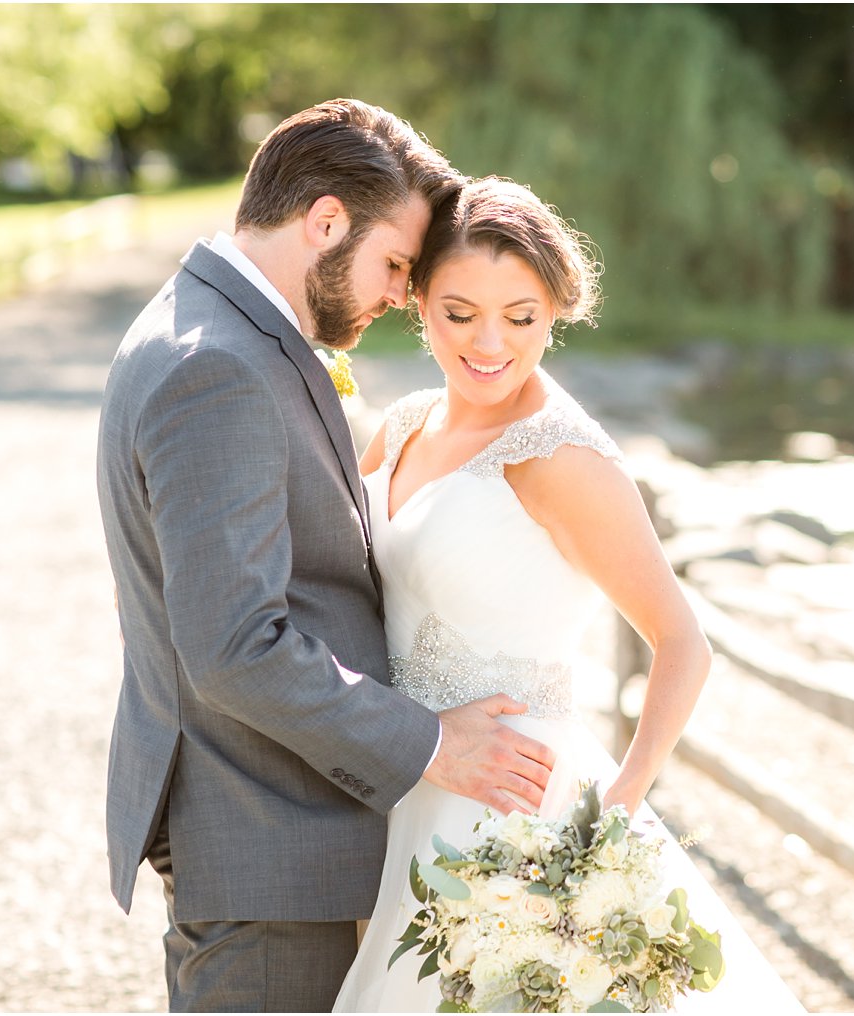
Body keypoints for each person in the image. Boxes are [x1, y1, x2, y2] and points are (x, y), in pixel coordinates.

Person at [96, 99, 559, 1012]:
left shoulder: (208, 325)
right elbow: (234, 645)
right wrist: (431, 744)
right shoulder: (216, 367)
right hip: (267, 848)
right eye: (395, 262)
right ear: (325, 220)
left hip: (270, 835)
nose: (397, 293)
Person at [332, 177, 801, 1012]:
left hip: (517, 817)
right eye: (459, 312)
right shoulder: (402, 426)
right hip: (400, 777)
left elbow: (684, 642)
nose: (489, 344)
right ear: (419, 303)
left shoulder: (565, 458)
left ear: (557, 311)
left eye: (521, 316)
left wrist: (615, 812)